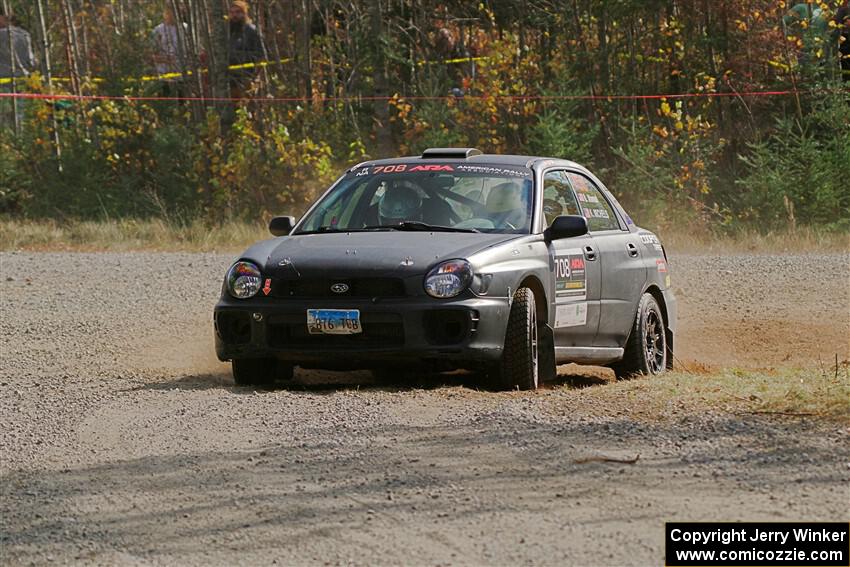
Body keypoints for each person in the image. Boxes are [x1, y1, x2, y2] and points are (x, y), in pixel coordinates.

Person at [0, 8, 35, 130]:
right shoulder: (25, 35)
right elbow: (31, 62)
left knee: (3, 117)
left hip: (3, 82)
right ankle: (19, 144)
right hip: (21, 80)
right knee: (19, 117)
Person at [227, 1, 264, 99]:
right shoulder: (227, 31)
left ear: (244, 13)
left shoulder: (251, 31)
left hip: (246, 77)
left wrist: (254, 77)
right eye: (232, 12)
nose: (234, 15)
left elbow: (261, 56)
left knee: (246, 108)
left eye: (238, 12)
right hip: (228, 79)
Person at [151, 7, 186, 98]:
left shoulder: (185, 28)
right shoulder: (158, 30)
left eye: (174, 12)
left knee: (182, 100)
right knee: (164, 100)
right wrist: (165, 59)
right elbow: (151, 54)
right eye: (168, 12)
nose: (170, 15)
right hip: (164, 73)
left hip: (182, 73)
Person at [836, 1, 850, 82]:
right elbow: (837, 22)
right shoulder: (842, 10)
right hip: (845, 38)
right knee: (845, 60)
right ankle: (846, 81)